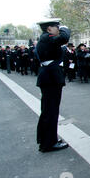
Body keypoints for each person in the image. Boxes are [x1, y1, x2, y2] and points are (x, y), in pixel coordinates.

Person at [35, 18, 70, 152]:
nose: (59, 29)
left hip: (50, 77)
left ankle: (47, 139)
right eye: (57, 27)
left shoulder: (46, 38)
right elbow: (65, 37)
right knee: (50, 111)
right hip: (50, 78)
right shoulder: (47, 38)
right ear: (49, 28)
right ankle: (48, 143)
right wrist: (65, 29)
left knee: (49, 111)